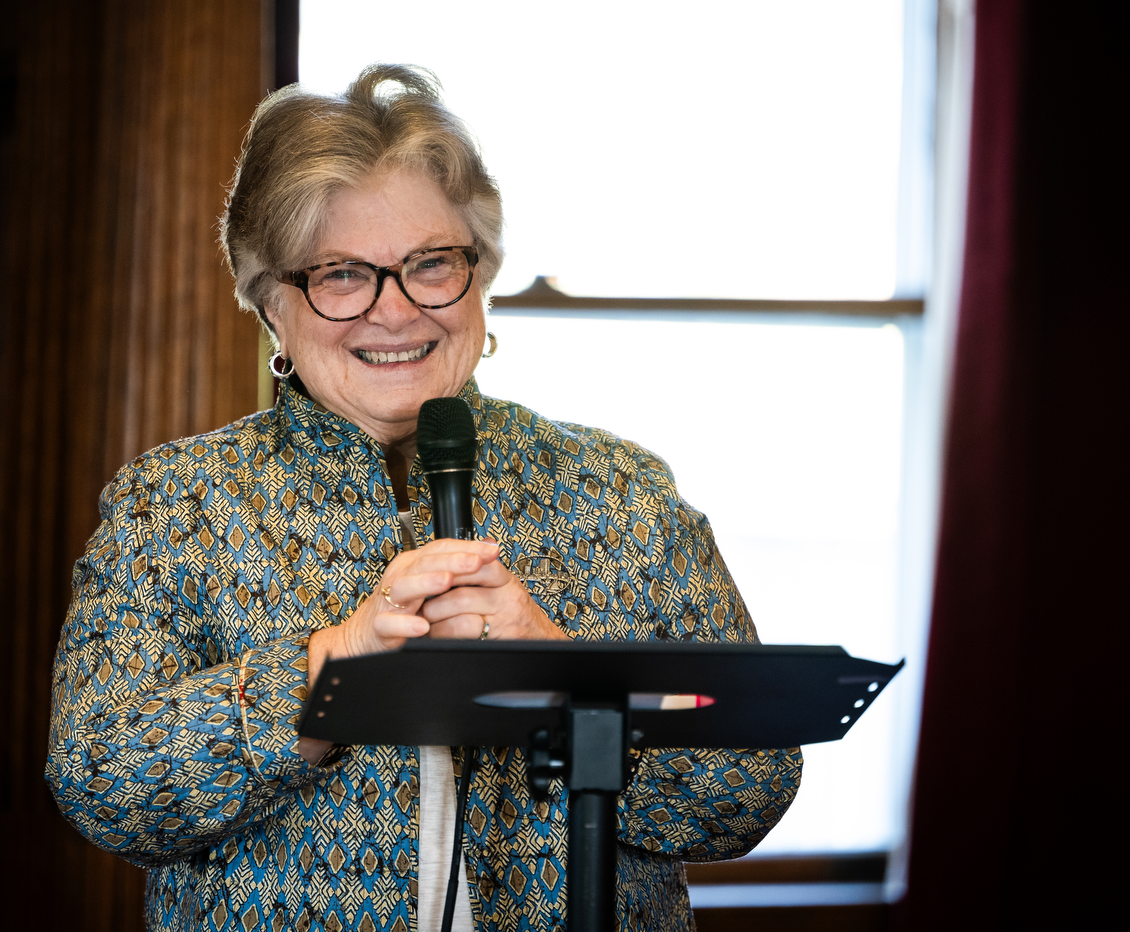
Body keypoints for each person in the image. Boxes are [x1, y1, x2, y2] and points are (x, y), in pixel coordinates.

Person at [46, 64, 802, 932]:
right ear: (271, 306)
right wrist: (333, 667)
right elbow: (100, 787)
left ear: (481, 276)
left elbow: (751, 789)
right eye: (340, 274)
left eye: (430, 264)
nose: (397, 311)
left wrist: (560, 676)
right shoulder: (175, 505)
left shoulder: (623, 494)